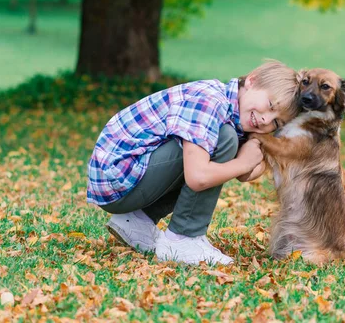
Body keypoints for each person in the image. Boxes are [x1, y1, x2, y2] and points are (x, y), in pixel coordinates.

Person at [86, 61, 300, 265]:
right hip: (119, 177)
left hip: (124, 181)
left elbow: (244, 175)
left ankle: (138, 220)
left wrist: (261, 145)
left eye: (276, 122)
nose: (265, 120)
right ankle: (183, 239)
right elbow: (198, 177)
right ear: (252, 81)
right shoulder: (209, 100)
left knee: (223, 143)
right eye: (270, 105)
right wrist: (243, 163)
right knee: (223, 139)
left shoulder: (235, 113)